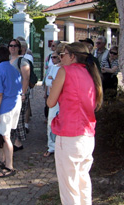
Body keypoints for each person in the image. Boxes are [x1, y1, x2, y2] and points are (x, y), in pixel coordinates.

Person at [47, 42, 103, 204]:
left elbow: (51, 102)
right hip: (87, 135)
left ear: (72, 56)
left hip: (69, 135)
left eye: (63, 54)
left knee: (69, 187)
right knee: (82, 181)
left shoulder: (64, 71)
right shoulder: (90, 73)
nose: (60, 58)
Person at [0, 46, 22, 177]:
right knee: (2, 133)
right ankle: (1, 159)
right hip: (15, 104)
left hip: (4, 107)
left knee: (5, 136)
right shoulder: (14, 69)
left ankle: (9, 166)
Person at [8, 39, 30, 152]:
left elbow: (25, 78)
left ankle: (18, 142)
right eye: (11, 45)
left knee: (19, 118)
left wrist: (23, 93)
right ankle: (13, 140)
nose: (12, 47)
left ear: (19, 48)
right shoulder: (7, 60)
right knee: (11, 117)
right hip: (10, 93)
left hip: (20, 93)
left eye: (15, 46)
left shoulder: (22, 61)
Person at [43, 51, 61, 157]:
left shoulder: (66, 68)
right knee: (51, 122)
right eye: (52, 57)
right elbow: (47, 82)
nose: (53, 59)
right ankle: (51, 146)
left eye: (55, 57)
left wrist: (54, 82)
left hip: (63, 99)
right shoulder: (53, 68)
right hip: (54, 98)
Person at [44, 40, 61, 121]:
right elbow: (47, 78)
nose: (52, 47)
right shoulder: (49, 57)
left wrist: (54, 81)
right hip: (51, 90)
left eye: (54, 45)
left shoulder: (62, 68)